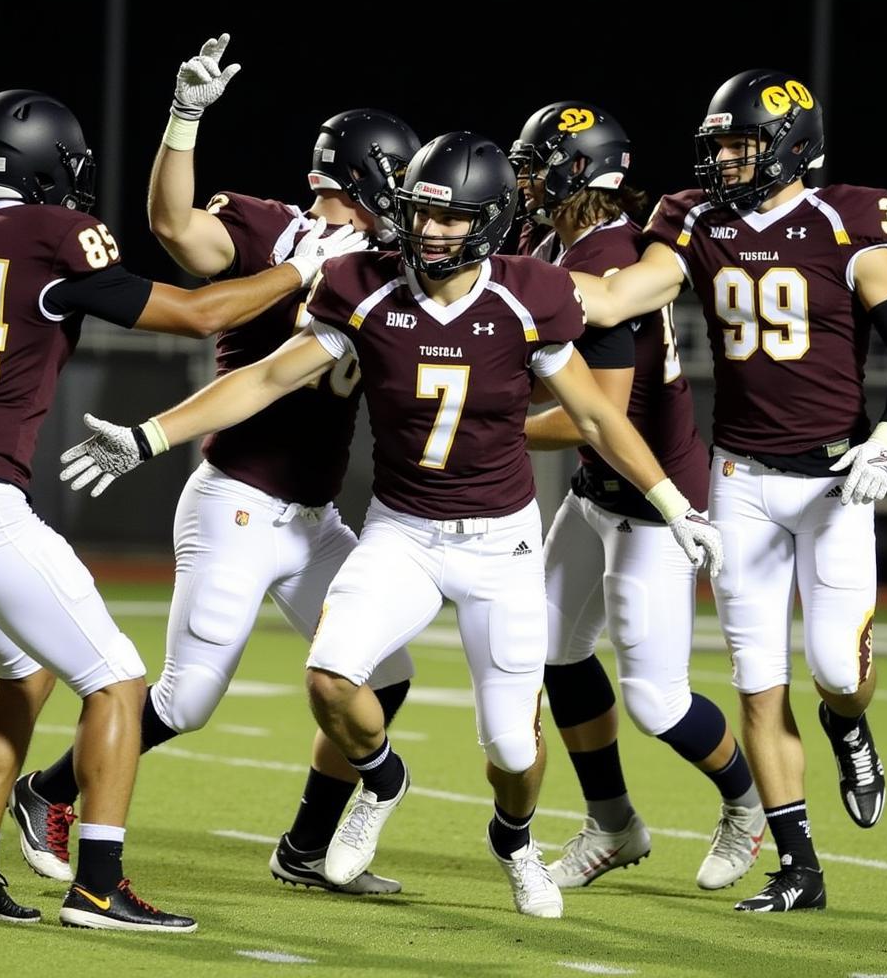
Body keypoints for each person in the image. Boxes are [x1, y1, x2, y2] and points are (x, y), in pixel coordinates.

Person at [55, 131, 724, 918]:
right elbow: (267, 376)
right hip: (400, 531)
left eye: (451, 220)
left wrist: (675, 505)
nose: (431, 233)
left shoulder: (530, 291)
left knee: (512, 747)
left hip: (501, 541)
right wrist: (150, 436)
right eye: (420, 215)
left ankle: (514, 840)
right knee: (333, 678)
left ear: (492, 219)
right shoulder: (360, 282)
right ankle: (381, 783)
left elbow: (595, 417)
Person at [0, 87, 365, 930]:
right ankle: (99, 885)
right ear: (42, 168)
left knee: (23, 668)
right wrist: (301, 269)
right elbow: (200, 314)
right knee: (117, 682)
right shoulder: (50, 233)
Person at [9, 33, 420, 896]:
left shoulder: (396, 266)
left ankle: (305, 851)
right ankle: (44, 789)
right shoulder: (275, 229)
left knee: (379, 672)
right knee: (187, 702)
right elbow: (172, 227)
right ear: (381, 180)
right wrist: (184, 117)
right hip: (237, 499)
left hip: (315, 518)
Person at [567, 68, 887, 912]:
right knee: (758, 678)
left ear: (792, 145)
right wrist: (495, 278)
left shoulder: (848, 217)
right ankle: (800, 868)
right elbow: (618, 296)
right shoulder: (690, 217)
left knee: (835, 672)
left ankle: (847, 724)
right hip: (741, 479)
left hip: (835, 480)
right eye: (716, 145)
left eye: (740, 144)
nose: (723, 160)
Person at [510, 101, 765, 892]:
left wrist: (498, 428)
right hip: (596, 491)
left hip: (658, 499)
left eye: (534, 164)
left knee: (658, 699)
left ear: (575, 169)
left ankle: (749, 806)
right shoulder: (549, 241)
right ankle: (614, 823)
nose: (522, 179)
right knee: (552, 653)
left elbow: (602, 414)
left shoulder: (614, 255)